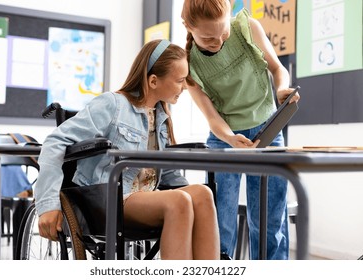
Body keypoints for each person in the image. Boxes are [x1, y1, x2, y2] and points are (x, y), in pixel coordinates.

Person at [34, 39, 220, 260]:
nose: (185, 87)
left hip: (143, 198)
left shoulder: (160, 116)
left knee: (202, 194)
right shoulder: (112, 105)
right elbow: (55, 141)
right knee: (179, 201)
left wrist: (192, 200)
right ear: (153, 81)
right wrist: (47, 204)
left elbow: (164, 171)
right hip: (109, 198)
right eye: (180, 80)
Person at [181, 0, 300, 260]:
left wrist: (281, 90)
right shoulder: (188, 65)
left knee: (269, 221)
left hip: (268, 130)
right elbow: (212, 118)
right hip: (224, 138)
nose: (219, 41)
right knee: (220, 222)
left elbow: (278, 69)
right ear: (188, 27)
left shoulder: (248, 27)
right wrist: (229, 138)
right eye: (208, 38)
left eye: (222, 32)